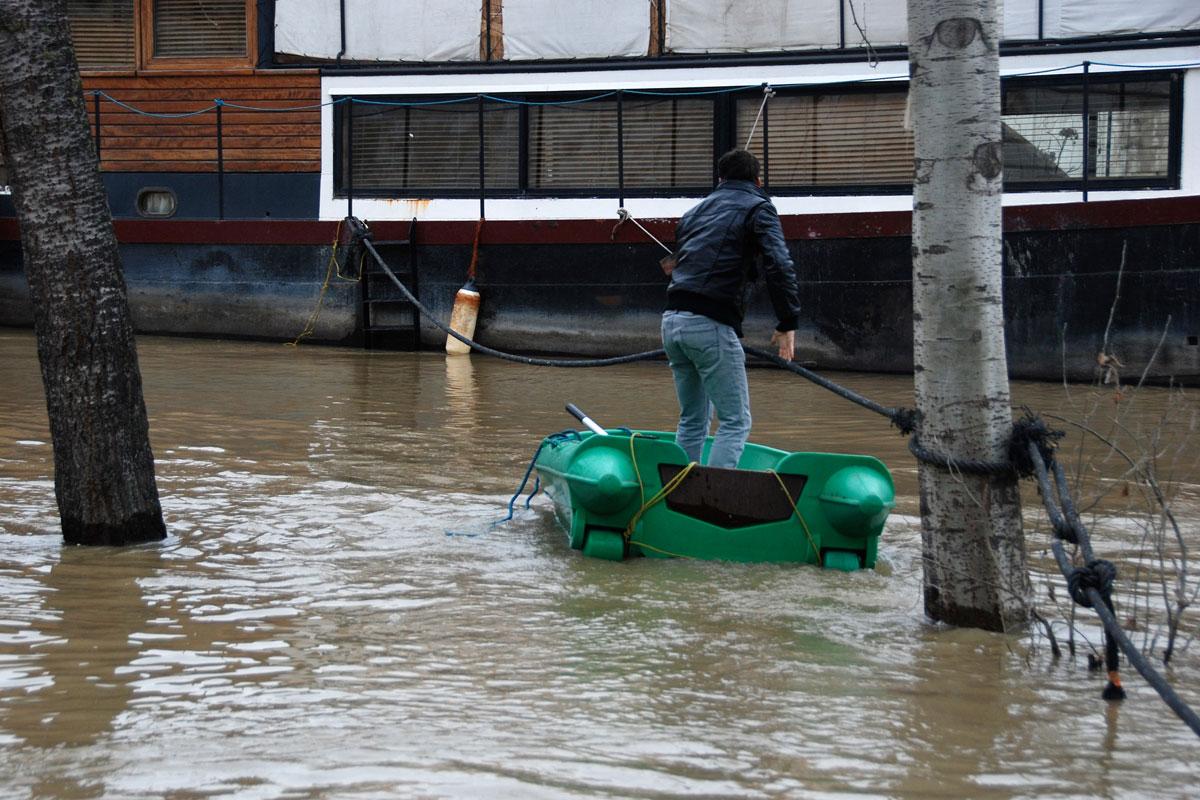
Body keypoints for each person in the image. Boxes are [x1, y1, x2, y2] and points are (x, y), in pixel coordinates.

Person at [661, 148, 801, 469]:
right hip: (710, 324)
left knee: (692, 421)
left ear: (720, 179)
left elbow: (678, 262)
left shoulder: (693, 213)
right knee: (736, 422)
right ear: (758, 180)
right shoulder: (760, 208)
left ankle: (676, 495)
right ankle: (709, 501)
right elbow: (779, 264)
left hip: (672, 322)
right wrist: (787, 321)